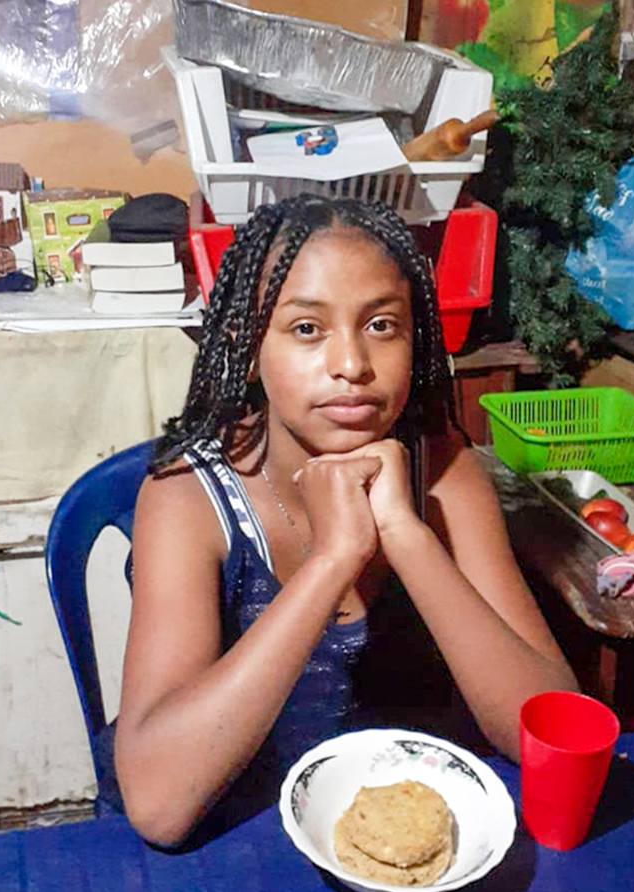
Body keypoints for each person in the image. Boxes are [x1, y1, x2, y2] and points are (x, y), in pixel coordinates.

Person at [114, 194, 578, 848]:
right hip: (236, 840)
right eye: (306, 329)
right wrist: (333, 561)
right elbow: (160, 806)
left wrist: (407, 537)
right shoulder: (187, 498)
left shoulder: (443, 473)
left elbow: (546, 736)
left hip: (397, 837)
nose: (353, 366)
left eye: (382, 325)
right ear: (248, 349)